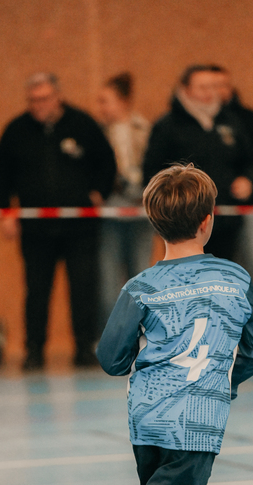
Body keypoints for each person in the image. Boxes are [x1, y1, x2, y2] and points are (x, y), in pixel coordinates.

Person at [39, 164, 253, 485]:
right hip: (198, 416)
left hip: (147, 416)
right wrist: (221, 381)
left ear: (152, 222)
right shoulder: (235, 277)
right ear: (208, 220)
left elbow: (110, 358)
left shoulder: (142, 285)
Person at [0, 72, 117, 369]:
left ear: (58, 97)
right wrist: (5, 212)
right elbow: (1, 175)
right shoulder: (16, 130)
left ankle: (84, 348)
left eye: (44, 99)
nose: (39, 105)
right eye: (33, 100)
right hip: (36, 229)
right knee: (37, 290)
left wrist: (99, 192)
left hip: (80, 228)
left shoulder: (82, 124)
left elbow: (107, 162)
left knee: (83, 288)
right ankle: (34, 350)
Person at [143, 64, 253, 264]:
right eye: (202, 87)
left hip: (226, 218)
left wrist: (247, 180)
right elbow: (151, 172)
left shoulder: (231, 121)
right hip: (184, 222)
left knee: (226, 269)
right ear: (186, 89)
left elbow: (251, 161)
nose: (209, 93)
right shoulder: (167, 126)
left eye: (213, 87)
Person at [97, 73, 153, 325]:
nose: (101, 107)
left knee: (140, 277)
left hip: (140, 214)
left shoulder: (145, 129)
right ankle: (111, 335)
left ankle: (141, 332)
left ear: (123, 102)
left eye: (105, 101)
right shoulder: (98, 133)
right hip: (110, 213)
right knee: (108, 282)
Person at [214, 66, 253, 303]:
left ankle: (251, 316)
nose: (218, 91)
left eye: (223, 85)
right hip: (213, 211)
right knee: (222, 269)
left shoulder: (249, 119)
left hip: (248, 205)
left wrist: (249, 179)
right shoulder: (200, 125)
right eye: (212, 86)